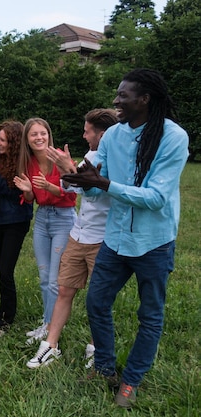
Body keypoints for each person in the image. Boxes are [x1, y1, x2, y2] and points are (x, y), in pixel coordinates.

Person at [62, 69, 188, 409]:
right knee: (96, 302)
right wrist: (79, 178)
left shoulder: (173, 138)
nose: (116, 100)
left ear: (144, 99)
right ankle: (104, 367)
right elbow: (93, 174)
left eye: (124, 95)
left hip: (154, 242)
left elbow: (155, 198)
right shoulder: (114, 135)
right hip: (116, 240)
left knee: (150, 316)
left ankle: (130, 380)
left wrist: (104, 185)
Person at [26, 108, 117, 368]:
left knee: (98, 298)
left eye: (88, 131)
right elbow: (74, 186)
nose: (84, 134)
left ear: (102, 133)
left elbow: (98, 192)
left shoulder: (117, 157)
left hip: (103, 237)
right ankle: (50, 346)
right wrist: (68, 170)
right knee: (64, 288)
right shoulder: (90, 154)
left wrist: (69, 170)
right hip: (80, 234)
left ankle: (96, 349)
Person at [14, 118, 77, 344]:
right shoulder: (28, 162)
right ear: (27, 140)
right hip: (42, 218)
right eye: (34, 135)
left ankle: (51, 329)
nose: (39, 138)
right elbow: (31, 198)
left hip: (63, 218)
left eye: (43, 133)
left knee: (54, 281)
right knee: (43, 277)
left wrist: (51, 187)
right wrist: (29, 191)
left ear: (49, 135)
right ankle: (46, 323)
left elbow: (73, 194)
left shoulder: (60, 158)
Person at [0, 121, 33, 340]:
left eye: (3, 140)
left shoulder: (24, 165)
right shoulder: (0, 161)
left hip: (16, 222)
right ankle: (3, 312)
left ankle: (5, 321)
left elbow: (14, 196)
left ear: (13, 143)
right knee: (2, 269)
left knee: (5, 271)